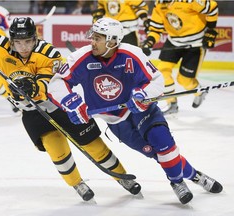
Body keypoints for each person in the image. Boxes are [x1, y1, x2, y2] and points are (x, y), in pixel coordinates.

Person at [0, 17, 142, 201]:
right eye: (18, 42)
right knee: (57, 151)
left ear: (35, 39)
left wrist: (35, 87)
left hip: (59, 105)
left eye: (28, 41)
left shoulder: (48, 53)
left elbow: (52, 82)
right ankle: (77, 183)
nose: (23, 47)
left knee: (92, 143)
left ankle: (121, 177)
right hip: (31, 113)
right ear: (11, 40)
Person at [47, 17, 223, 205]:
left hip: (142, 110)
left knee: (163, 143)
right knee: (157, 154)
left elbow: (156, 80)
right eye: (93, 37)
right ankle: (195, 175)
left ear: (112, 40)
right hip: (115, 121)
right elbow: (57, 83)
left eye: (98, 38)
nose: (92, 42)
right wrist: (71, 102)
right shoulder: (81, 58)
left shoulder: (132, 54)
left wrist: (143, 95)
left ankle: (177, 181)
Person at [141, 0, 219, 115]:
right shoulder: (160, 3)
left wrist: (211, 30)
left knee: (184, 80)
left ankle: (200, 92)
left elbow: (212, 8)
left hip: (195, 43)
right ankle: (172, 104)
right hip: (174, 41)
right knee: (162, 72)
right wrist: (149, 42)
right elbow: (156, 28)